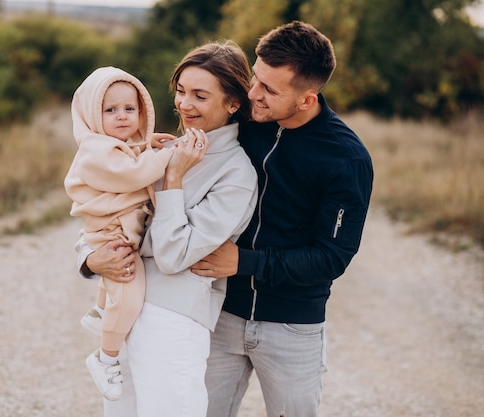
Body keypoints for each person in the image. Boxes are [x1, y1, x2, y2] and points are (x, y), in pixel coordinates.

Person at [190, 21, 374, 417]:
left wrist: (245, 262)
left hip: (293, 328)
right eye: (256, 79)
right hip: (220, 312)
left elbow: (332, 257)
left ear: (308, 99)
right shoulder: (246, 122)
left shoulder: (346, 159)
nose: (253, 94)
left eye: (270, 90)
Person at [75, 40, 259, 417]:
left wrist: (174, 177)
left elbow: (175, 256)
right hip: (124, 307)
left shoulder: (237, 174)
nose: (184, 104)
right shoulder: (160, 150)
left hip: (174, 318)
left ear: (232, 103)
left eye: (199, 96)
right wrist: (92, 259)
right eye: (180, 91)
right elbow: (105, 213)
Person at [64, 66, 174, 401]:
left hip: (116, 230)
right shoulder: (94, 150)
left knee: (117, 294)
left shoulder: (115, 146)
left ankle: (99, 312)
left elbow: (129, 156)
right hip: (112, 237)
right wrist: (169, 154)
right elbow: (131, 174)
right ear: (91, 116)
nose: (122, 116)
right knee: (129, 295)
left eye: (130, 109)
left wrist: (145, 143)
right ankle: (105, 357)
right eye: (110, 110)